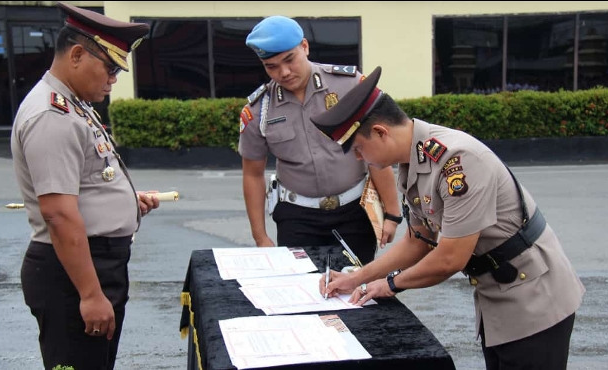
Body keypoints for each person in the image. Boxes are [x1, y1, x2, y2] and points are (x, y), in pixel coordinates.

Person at [311, 66, 586, 370]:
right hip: (498, 290)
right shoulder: (412, 162)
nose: (360, 159)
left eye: (359, 149)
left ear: (380, 132)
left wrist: (389, 284)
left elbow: (449, 259)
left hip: (533, 295)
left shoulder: (457, 162)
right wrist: (358, 278)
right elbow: (419, 241)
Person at [10, 3, 159, 369]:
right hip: (73, 273)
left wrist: (124, 202)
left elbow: (83, 184)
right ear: (77, 54)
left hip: (90, 264)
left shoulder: (73, 103)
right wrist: (90, 295)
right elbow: (59, 214)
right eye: (110, 68)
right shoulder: (53, 115)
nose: (113, 79)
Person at [238, 15, 400, 264]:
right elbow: (252, 174)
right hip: (296, 218)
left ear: (304, 47)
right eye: (271, 66)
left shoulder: (349, 86)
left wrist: (392, 212)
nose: (284, 72)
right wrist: (260, 237)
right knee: (302, 294)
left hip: (354, 212)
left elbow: (376, 155)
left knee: (357, 288)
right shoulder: (260, 110)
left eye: (289, 59)